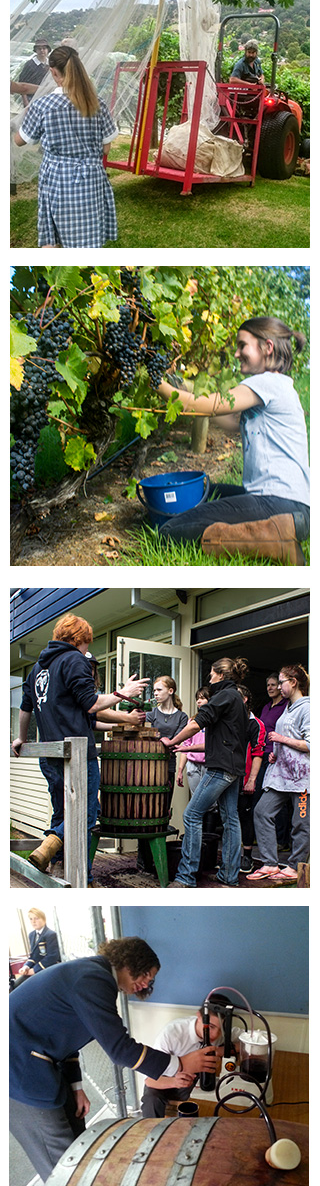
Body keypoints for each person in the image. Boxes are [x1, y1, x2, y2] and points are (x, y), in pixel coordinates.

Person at [10, 935, 215, 1181]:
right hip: (18, 1069)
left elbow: (66, 1036)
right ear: (131, 961)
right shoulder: (93, 978)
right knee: (61, 1160)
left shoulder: (91, 976)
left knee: (77, 1139)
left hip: (40, 1062)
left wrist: (76, 1087)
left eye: (151, 979)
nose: (147, 982)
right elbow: (119, 1048)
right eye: (147, 974)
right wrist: (180, 1064)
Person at [156, 317, 310, 563]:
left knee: (169, 532)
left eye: (242, 346)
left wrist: (159, 385)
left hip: (279, 504)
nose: (236, 354)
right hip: (291, 504)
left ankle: (276, 538)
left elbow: (207, 405)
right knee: (206, 491)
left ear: (267, 347)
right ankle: (279, 530)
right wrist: (179, 385)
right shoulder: (277, 386)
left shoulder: (265, 383)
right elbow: (227, 419)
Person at [11, 613, 149, 885]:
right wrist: (124, 692)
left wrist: (20, 738)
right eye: (87, 643)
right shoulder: (74, 658)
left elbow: (26, 707)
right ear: (77, 639)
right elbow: (90, 704)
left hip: (50, 755)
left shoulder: (38, 668)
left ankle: (68, 867)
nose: (87, 649)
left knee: (62, 812)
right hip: (77, 756)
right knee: (86, 814)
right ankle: (53, 848)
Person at [163, 657, 257, 888]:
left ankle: (185, 877)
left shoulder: (224, 696)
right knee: (230, 820)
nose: (210, 678)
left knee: (192, 815)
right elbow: (217, 742)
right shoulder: (237, 700)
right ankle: (229, 876)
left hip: (221, 768)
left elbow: (197, 724)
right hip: (234, 768)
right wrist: (183, 746)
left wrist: (172, 741)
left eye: (212, 674)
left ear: (221, 675)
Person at [13, 44, 118, 247]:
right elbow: (106, 148)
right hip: (91, 177)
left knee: (55, 230)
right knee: (89, 229)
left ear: (53, 72)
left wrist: (21, 120)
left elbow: (20, 140)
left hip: (58, 178)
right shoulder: (97, 103)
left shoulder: (43, 106)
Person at [249, 664, 310, 883]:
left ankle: (295, 866)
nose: (278, 685)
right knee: (262, 812)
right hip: (280, 776)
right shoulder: (288, 708)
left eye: (282, 681)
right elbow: (285, 736)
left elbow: (311, 744)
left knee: (301, 822)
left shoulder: (308, 707)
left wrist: (282, 740)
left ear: (293, 682)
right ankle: (270, 863)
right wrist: (276, 753)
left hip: (303, 780)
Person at [141, 993, 234, 1117]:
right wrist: (174, 1081)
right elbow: (149, 1080)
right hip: (162, 1082)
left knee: (206, 1103)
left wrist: (219, 1051)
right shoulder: (172, 1033)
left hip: (189, 1084)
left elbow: (246, 1041)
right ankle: (152, 1134)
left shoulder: (221, 1033)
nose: (215, 1035)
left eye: (220, 1029)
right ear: (199, 1017)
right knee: (152, 1100)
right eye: (211, 1027)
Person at [137, 677, 189, 873]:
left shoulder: (182, 717)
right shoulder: (151, 714)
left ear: (171, 691)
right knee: (146, 812)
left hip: (168, 767)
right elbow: (150, 738)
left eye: (159, 690)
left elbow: (176, 742)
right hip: (148, 769)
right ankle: (143, 858)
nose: (155, 693)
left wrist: (165, 740)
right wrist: (163, 740)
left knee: (163, 812)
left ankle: (158, 859)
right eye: (154, 690)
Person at [255, 672, 291, 848]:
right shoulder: (266, 706)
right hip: (263, 754)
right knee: (262, 796)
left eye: (273, 684)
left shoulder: (286, 706)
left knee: (278, 798)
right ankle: (265, 838)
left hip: (277, 756)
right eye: (267, 685)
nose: (269, 688)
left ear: (280, 686)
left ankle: (282, 840)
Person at [237, 686, 266, 875]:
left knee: (245, 816)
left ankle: (247, 856)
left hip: (245, 777)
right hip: (227, 776)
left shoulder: (255, 723)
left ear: (245, 699)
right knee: (229, 817)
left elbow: (258, 753)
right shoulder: (230, 721)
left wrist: (251, 780)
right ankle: (231, 857)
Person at [11, 908, 61, 987]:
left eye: (36, 918)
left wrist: (34, 970)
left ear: (44, 919)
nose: (33, 922)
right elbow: (33, 956)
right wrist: (26, 967)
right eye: (31, 919)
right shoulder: (32, 935)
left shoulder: (51, 934)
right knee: (16, 985)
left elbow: (52, 957)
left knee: (26, 987)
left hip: (48, 969)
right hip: (36, 969)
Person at [176, 687, 210, 796]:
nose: (198, 701)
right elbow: (186, 746)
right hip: (193, 765)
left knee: (210, 801)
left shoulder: (214, 721)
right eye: (197, 699)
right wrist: (180, 770)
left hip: (209, 765)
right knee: (195, 798)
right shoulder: (192, 721)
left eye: (203, 698)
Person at [18, 39, 50, 104]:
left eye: (44, 48)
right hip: (31, 97)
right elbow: (22, 82)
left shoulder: (51, 64)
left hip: (47, 97)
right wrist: (25, 101)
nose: (42, 51)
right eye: (39, 49)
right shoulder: (30, 64)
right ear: (36, 51)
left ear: (48, 50)